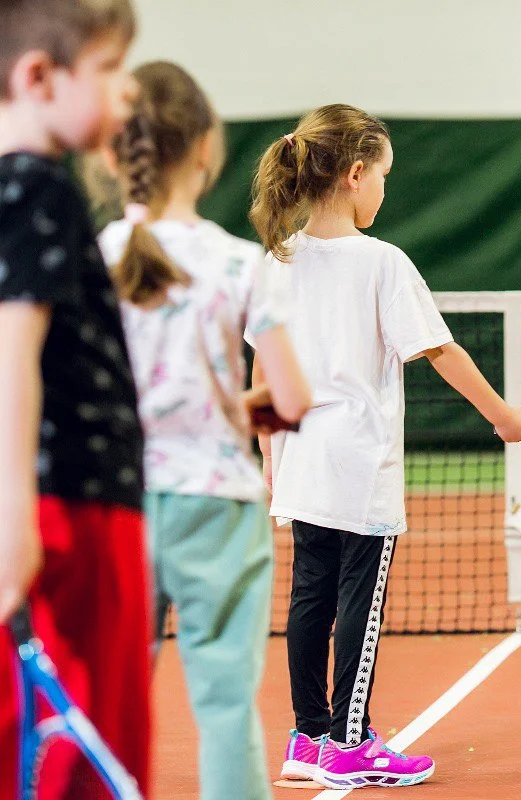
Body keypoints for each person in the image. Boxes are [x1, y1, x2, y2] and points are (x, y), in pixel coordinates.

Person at [249, 103, 521, 789]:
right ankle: (350, 743)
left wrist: (270, 468)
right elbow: (439, 349)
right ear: (354, 175)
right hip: (357, 463)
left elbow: (263, 375)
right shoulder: (381, 262)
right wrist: (503, 417)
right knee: (359, 601)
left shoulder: (273, 264)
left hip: (301, 461)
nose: (385, 189)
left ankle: (308, 737)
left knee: (308, 598)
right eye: (383, 175)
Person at [96, 60, 311, 800]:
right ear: (207, 149)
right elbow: (290, 395)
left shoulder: (94, 260)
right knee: (225, 709)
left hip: (116, 507)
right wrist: (227, 412)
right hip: (219, 504)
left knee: (104, 706)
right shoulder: (240, 263)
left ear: (112, 154)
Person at [0, 0, 151, 795]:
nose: (126, 92)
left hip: (70, 505)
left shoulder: (33, 191)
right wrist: (16, 514)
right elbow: (12, 352)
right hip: (77, 515)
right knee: (101, 747)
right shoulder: (37, 188)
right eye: (109, 69)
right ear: (37, 77)